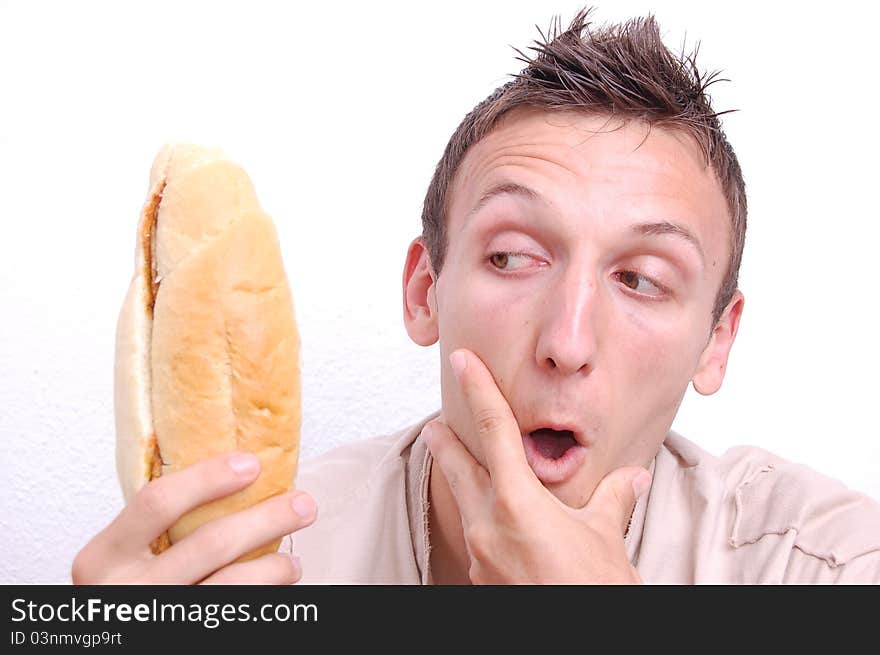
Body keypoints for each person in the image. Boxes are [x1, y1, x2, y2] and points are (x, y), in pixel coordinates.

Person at [73, 7, 880, 585]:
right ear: (425, 291)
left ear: (716, 341)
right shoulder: (252, 568)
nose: (567, 340)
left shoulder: (825, 563)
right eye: (515, 256)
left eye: (640, 278)